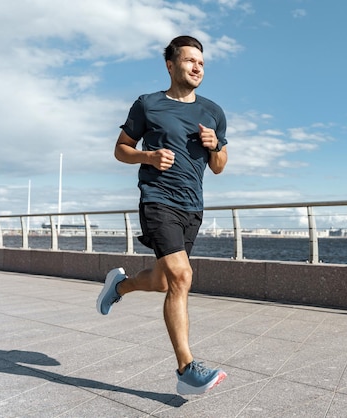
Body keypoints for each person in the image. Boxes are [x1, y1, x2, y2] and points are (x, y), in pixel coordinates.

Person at [96, 35, 228, 396]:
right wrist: (148, 158)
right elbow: (121, 149)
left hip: (193, 207)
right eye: (189, 61)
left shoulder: (213, 112)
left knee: (164, 281)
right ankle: (187, 369)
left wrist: (215, 146)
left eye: (201, 62)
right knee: (183, 277)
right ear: (170, 66)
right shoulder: (148, 104)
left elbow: (219, 166)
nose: (197, 67)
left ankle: (119, 285)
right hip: (158, 200)